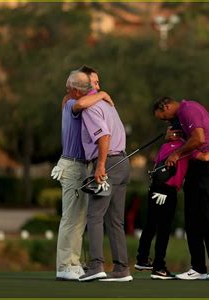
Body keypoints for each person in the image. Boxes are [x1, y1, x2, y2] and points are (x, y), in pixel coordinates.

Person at [135, 118, 209, 280]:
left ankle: (142, 258)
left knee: (151, 224)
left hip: (154, 189)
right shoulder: (185, 149)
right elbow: (205, 158)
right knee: (163, 230)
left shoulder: (164, 146)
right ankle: (159, 267)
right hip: (167, 191)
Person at [153, 97, 209, 281]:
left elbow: (199, 138)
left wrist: (177, 153)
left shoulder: (188, 110)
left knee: (208, 217)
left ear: (166, 106)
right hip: (196, 167)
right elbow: (184, 140)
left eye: (164, 117)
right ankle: (198, 268)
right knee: (192, 218)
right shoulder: (180, 116)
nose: (166, 121)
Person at [52, 70, 113, 281]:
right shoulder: (71, 103)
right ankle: (65, 265)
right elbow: (80, 103)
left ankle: (73, 262)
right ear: (77, 90)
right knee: (71, 218)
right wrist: (102, 94)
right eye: (89, 86)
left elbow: (84, 100)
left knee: (78, 219)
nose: (92, 89)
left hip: (79, 166)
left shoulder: (76, 100)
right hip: (72, 165)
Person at [78, 70, 132, 282]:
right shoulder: (107, 104)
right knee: (115, 220)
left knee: (94, 215)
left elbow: (104, 136)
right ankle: (121, 269)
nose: (97, 87)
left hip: (108, 163)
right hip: (123, 163)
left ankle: (95, 266)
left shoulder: (91, 107)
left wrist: (100, 166)